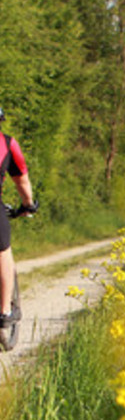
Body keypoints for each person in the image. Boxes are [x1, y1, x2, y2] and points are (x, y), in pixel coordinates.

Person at [0, 108, 37, 327]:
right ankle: (4, 311)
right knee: (3, 253)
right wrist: (28, 205)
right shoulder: (6, 143)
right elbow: (22, 181)